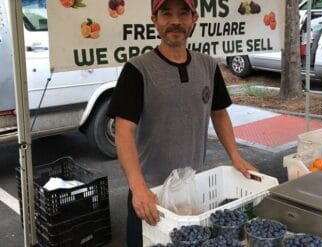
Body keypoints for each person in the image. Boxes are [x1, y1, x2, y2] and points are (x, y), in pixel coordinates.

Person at [107, 0, 257, 246]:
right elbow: (124, 132)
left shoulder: (208, 65)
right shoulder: (137, 69)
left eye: (183, 13)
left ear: (194, 18)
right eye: (166, 13)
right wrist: (138, 187)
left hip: (193, 188)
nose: (175, 21)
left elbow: (219, 113)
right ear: (155, 20)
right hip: (150, 195)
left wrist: (235, 156)